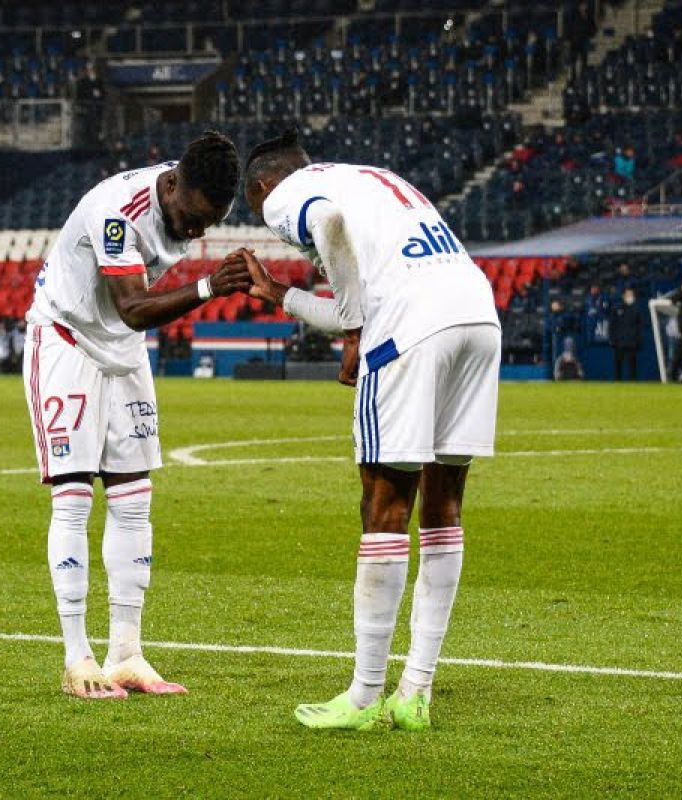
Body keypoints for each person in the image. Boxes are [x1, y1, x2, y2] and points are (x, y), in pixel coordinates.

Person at [237, 129, 501, 732]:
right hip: (476, 314)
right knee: (445, 502)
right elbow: (356, 279)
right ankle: (416, 693)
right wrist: (284, 294)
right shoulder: (374, 179)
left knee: (383, 505)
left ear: (262, 188)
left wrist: (354, 324)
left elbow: (325, 225)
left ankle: (363, 696)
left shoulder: (291, 194)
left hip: (410, 327)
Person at [25, 131, 251, 700]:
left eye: (209, 223)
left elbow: (129, 319)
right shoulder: (118, 213)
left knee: (133, 498)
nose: (195, 232)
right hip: (67, 338)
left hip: (121, 351)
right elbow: (130, 308)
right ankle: (78, 658)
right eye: (192, 218)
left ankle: (126, 652)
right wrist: (206, 286)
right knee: (74, 496)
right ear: (172, 184)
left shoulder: (185, 201)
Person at [609, 287, 644, 380]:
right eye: (628, 295)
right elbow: (612, 325)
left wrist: (639, 340)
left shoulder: (637, 310)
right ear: (623, 296)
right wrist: (612, 339)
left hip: (632, 342)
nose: (630, 297)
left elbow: (639, 327)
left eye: (631, 295)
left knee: (632, 365)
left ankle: (633, 383)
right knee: (618, 365)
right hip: (619, 342)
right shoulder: (617, 308)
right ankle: (618, 382)